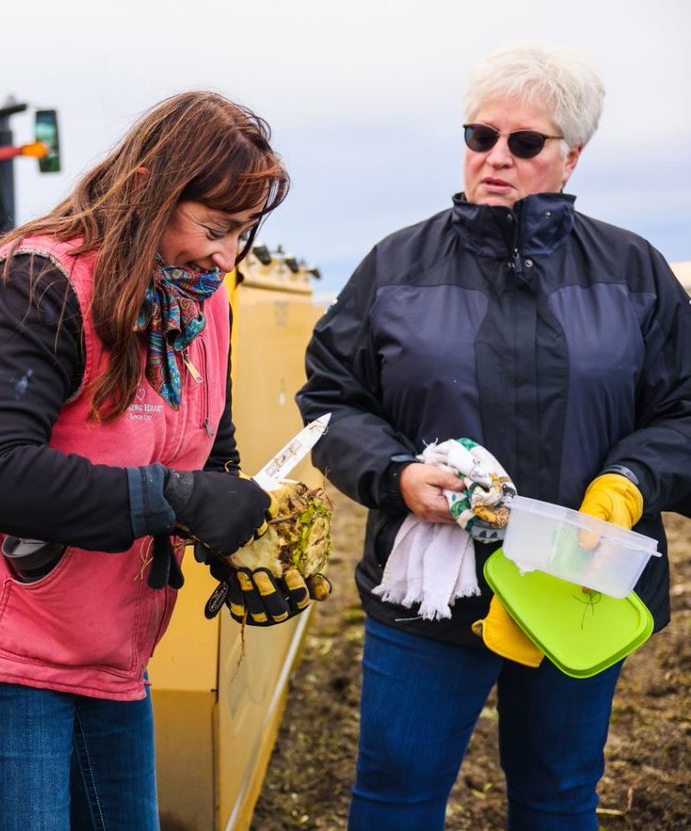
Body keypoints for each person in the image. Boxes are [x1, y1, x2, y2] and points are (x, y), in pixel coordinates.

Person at [0, 91, 301, 831]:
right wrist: (181, 500)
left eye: (244, 234)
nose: (227, 256)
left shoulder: (200, 305)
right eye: (215, 228)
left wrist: (237, 544)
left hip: (106, 641)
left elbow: (208, 446)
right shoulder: (37, 286)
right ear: (147, 192)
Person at [296, 42, 691, 831]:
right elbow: (332, 399)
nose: (496, 158)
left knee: (557, 794)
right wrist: (397, 475)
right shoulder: (395, 266)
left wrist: (633, 480)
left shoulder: (634, 270)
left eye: (524, 142)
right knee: (396, 793)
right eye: (480, 136)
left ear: (572, 156)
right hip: (430, 590)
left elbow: (684, 409)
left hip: (580, 583)